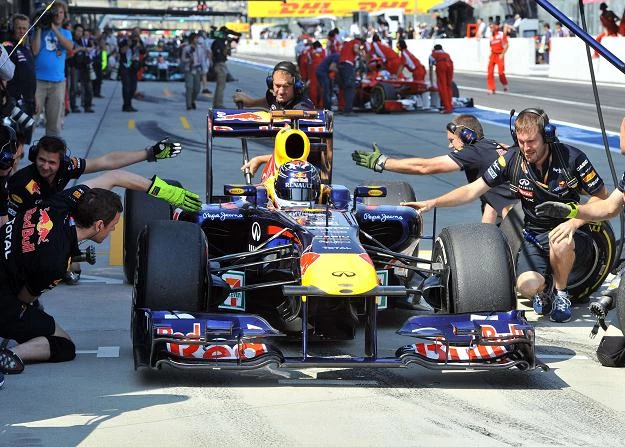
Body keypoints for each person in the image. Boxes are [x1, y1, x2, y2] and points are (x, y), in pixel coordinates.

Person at [403, 108, 609, 323]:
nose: (526, 148)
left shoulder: (572, 158)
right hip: (534, 236)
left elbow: (603, 198)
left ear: (547, 136)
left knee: (560, 242)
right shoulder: (511, 158)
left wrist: (574, 222)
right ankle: (545, 288)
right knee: (525, 286)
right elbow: (473, 190)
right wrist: (432, 202)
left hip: (574, 233)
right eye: (521, 141)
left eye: (531, 142)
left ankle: (562, 294)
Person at [0, 169, 202, 375]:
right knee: (63, 345)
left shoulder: (60, 203)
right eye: (113, 225)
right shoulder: (55, 263)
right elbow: (24, 297)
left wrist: (161, 190)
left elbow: (113, 177)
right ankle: (12, 354)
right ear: (98, 225)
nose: (113, 230)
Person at [351, 114, 517, 223]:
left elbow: (425, 167)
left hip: (515, 219)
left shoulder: (472, 152)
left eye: (452, 140)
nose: (450, 145)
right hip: (521, 211)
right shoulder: (494, 146)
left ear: (467, 136)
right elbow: (493, 201)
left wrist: (383, 162)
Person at [6, 135, 184, 218]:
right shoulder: (21, 183)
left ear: (62, 162)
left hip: (51, 214)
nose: (45, 166)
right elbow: (7, 226)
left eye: (51, 163)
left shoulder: (67, 166)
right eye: (41, 160)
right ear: (34, 156)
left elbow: (106, 161)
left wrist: (149, 153)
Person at [31, 0, 73, 136]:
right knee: (32, 117)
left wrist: (55, 29)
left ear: (64, 15)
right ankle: (19, 149)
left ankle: (51, 150)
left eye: (61, 12)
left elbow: (69, 47)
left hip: (58, 82)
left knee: (54, 121)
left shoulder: (66, 33)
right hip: (38, 81)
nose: (58, 15)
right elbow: (35, 51)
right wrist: (38, 27)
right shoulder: (40, 30)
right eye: (55, 12)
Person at [3, 14, 35, 145]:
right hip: (14, 101)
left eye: (25, 28)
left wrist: (35, 97)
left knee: (23, 141)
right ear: (12, 28)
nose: (22, 31)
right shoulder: (7, 46)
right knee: (12, 142)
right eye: (18, 28)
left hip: (29, 100)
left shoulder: (26, 47)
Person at [232, 61, 314, 111]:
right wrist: (251, 102)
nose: (281, 92)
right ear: (271, 85)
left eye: (286, 86)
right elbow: (269, 101)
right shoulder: (273, 95)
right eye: (277, 86)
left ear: (296, 87)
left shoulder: (302, 106)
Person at [337, 36, 364, 115]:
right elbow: (355, 49)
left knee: (343, 88)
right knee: (350, 87)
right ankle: (348, 110)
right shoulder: (356, 41)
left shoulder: (346, 45)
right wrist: (360, 53)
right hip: (348, 65)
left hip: (341, 65)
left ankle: (342, 107)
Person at [429, 44, 454, 114]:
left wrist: (431, 82)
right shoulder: (446, 54)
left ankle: (447, 108)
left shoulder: (432, 55)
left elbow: (431, 69)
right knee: (449, 86)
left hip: (441, 65)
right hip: (450, 64)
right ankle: (450, 106)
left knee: (442, 87)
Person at [487, 21, 509, 95]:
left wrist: (502, 54)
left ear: (496, 27)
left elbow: (506, 45)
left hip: (500, 55)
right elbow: (491, 45)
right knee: (490, 72)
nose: (491, 29)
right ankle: (491, 88)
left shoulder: (501, 34)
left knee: (501, 72)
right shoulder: (490, 36)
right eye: (490, 27)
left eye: (492, 27)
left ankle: (505, 84)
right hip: (493, 55)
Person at [181, 33, 201, 110]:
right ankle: (188, 105)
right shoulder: (186, 48)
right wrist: (189, 60)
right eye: (195, 38)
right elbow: (183, 59)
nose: (197, 40)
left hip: (197, 69)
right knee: (189, 87)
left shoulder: (199, 48)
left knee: (197, 88)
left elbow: (201, 58)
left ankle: (193, 100)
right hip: (188, 69)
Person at [210, 27, 229, 109]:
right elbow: (220, 54)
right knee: (221, 85)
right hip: (219, 64)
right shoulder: (218, 42)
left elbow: (226, 53)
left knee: (221, 85)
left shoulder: (220, 42)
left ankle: (217, 103)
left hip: (220, 64)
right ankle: (218, 104)